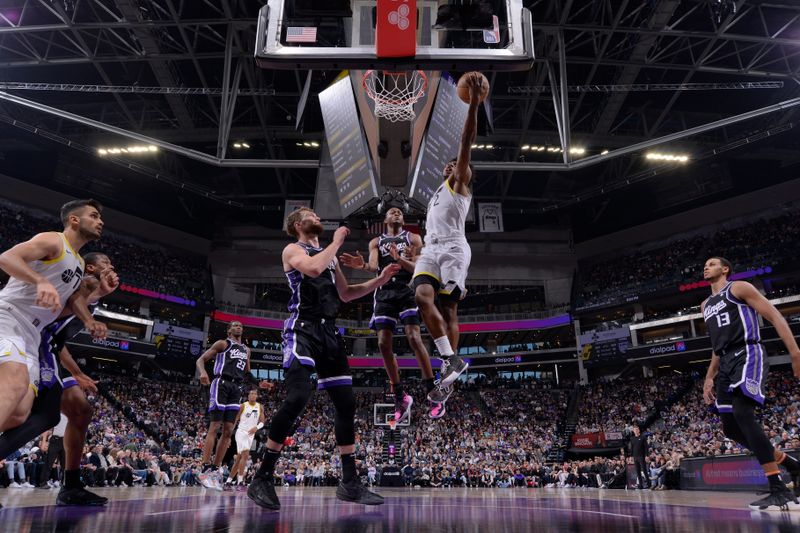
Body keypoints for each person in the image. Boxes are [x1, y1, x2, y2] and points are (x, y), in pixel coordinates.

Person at [247, 208, 400, 510]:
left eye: (316, 213)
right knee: (298, 397)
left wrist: (379, 280)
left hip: (329, 332)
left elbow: (345, 293)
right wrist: (336, 242)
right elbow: (313, 269)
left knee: (346, 404)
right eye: (309, 214)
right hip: (301, 328)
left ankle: (350, 483)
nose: (316, 216)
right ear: (296, 224)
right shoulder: (293, 249)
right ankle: (262, 477)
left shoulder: (327, 255)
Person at [0, 252, 118, 506]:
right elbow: (49, 324)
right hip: (34, 344)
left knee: (80, 411)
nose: (112, 267)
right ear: (91, 267)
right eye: (106, 263)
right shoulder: (75, 284)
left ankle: (71, 485)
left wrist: (76, 372)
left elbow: (59, 340)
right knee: (43, 415)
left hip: (50, 349)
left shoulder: (89, 295)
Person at [411, 72, 485, 416]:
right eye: (451, 163)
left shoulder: (459, 184)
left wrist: (473, 106)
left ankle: (448, 373)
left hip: (454, 247)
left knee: (450, 308)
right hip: (431, 248)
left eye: (458, 165)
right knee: (421, 297)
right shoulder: (436, 195)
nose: (452, 164)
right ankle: (450, 357)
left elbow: (466, 141)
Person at [701, 256, 800, 510]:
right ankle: (790, 464)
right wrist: (709, 377)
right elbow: (716, 346)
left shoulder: (738, 288)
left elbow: (775, 316)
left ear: (725, 269)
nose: (706, 266)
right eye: (705, 264)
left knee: (743, 412)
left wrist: (795, 353)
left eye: (712, 263)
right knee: (730, 429)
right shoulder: (705, 305)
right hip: (725, 362)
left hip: (748, 353)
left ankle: (778, 488)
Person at [0, 199, 105, 434]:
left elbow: (72, 300)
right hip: (8, 316)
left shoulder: (78, 262)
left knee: (18, 413)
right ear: (74, 220)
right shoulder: (53, 240)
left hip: (31, 335)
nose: (101, 222)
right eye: (94, 216)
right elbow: (7, 258)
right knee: (15, 383)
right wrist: (39, 280)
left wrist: (89, 320)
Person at [339, 207, 436, 420]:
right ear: (385, 218)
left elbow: (417, 267)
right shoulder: (376, 242)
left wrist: (399, 260)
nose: (396, 213)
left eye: (400, 212)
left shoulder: (413, 238)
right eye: (392, 211)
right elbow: (373, 266)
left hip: (406, 289)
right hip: (384, 292)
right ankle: (400, 395)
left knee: (413, 337)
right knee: (383, 344)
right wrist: (362, 265)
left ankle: (431, 388)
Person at [196, 321, 272, 490]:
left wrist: (259, 384)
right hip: (221, 383)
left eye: (241, 326)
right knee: (215, 425)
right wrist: (202, 372)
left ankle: (215, 470)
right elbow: (201, 359)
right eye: (235, 325)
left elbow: (247, 372)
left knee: (229, 430)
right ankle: (204, 468)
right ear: (229, 329)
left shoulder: (246, 350)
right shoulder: (223, 343)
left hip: (236, 388)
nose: (239, 327)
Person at [227, 389, 265, 490]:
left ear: (257, 396)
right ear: (248, 395)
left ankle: (228, 481)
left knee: (239, 458)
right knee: (245, 455)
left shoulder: (260, 407)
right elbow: (235, 420)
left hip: (251, 434)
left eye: (254, 394)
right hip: (241, 432)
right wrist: (229, 435)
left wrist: (256, 427)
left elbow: (262, 422)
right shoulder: (243, 405)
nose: (252, 395)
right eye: (251, 393)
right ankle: (240, 482)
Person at [626, 425, 649, 489]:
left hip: (641, 456)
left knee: (644, 471)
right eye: (634, 430)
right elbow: (632, 448)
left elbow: (646, 447)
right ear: (633, 431)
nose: (636, 431)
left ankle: (649, 484)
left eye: (637, 429)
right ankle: (640, 485)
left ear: (639, 430)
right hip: (635, 457)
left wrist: (647, 455)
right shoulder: (632, 438)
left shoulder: (643, 437)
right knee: (638, 472)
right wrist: (631, 456)